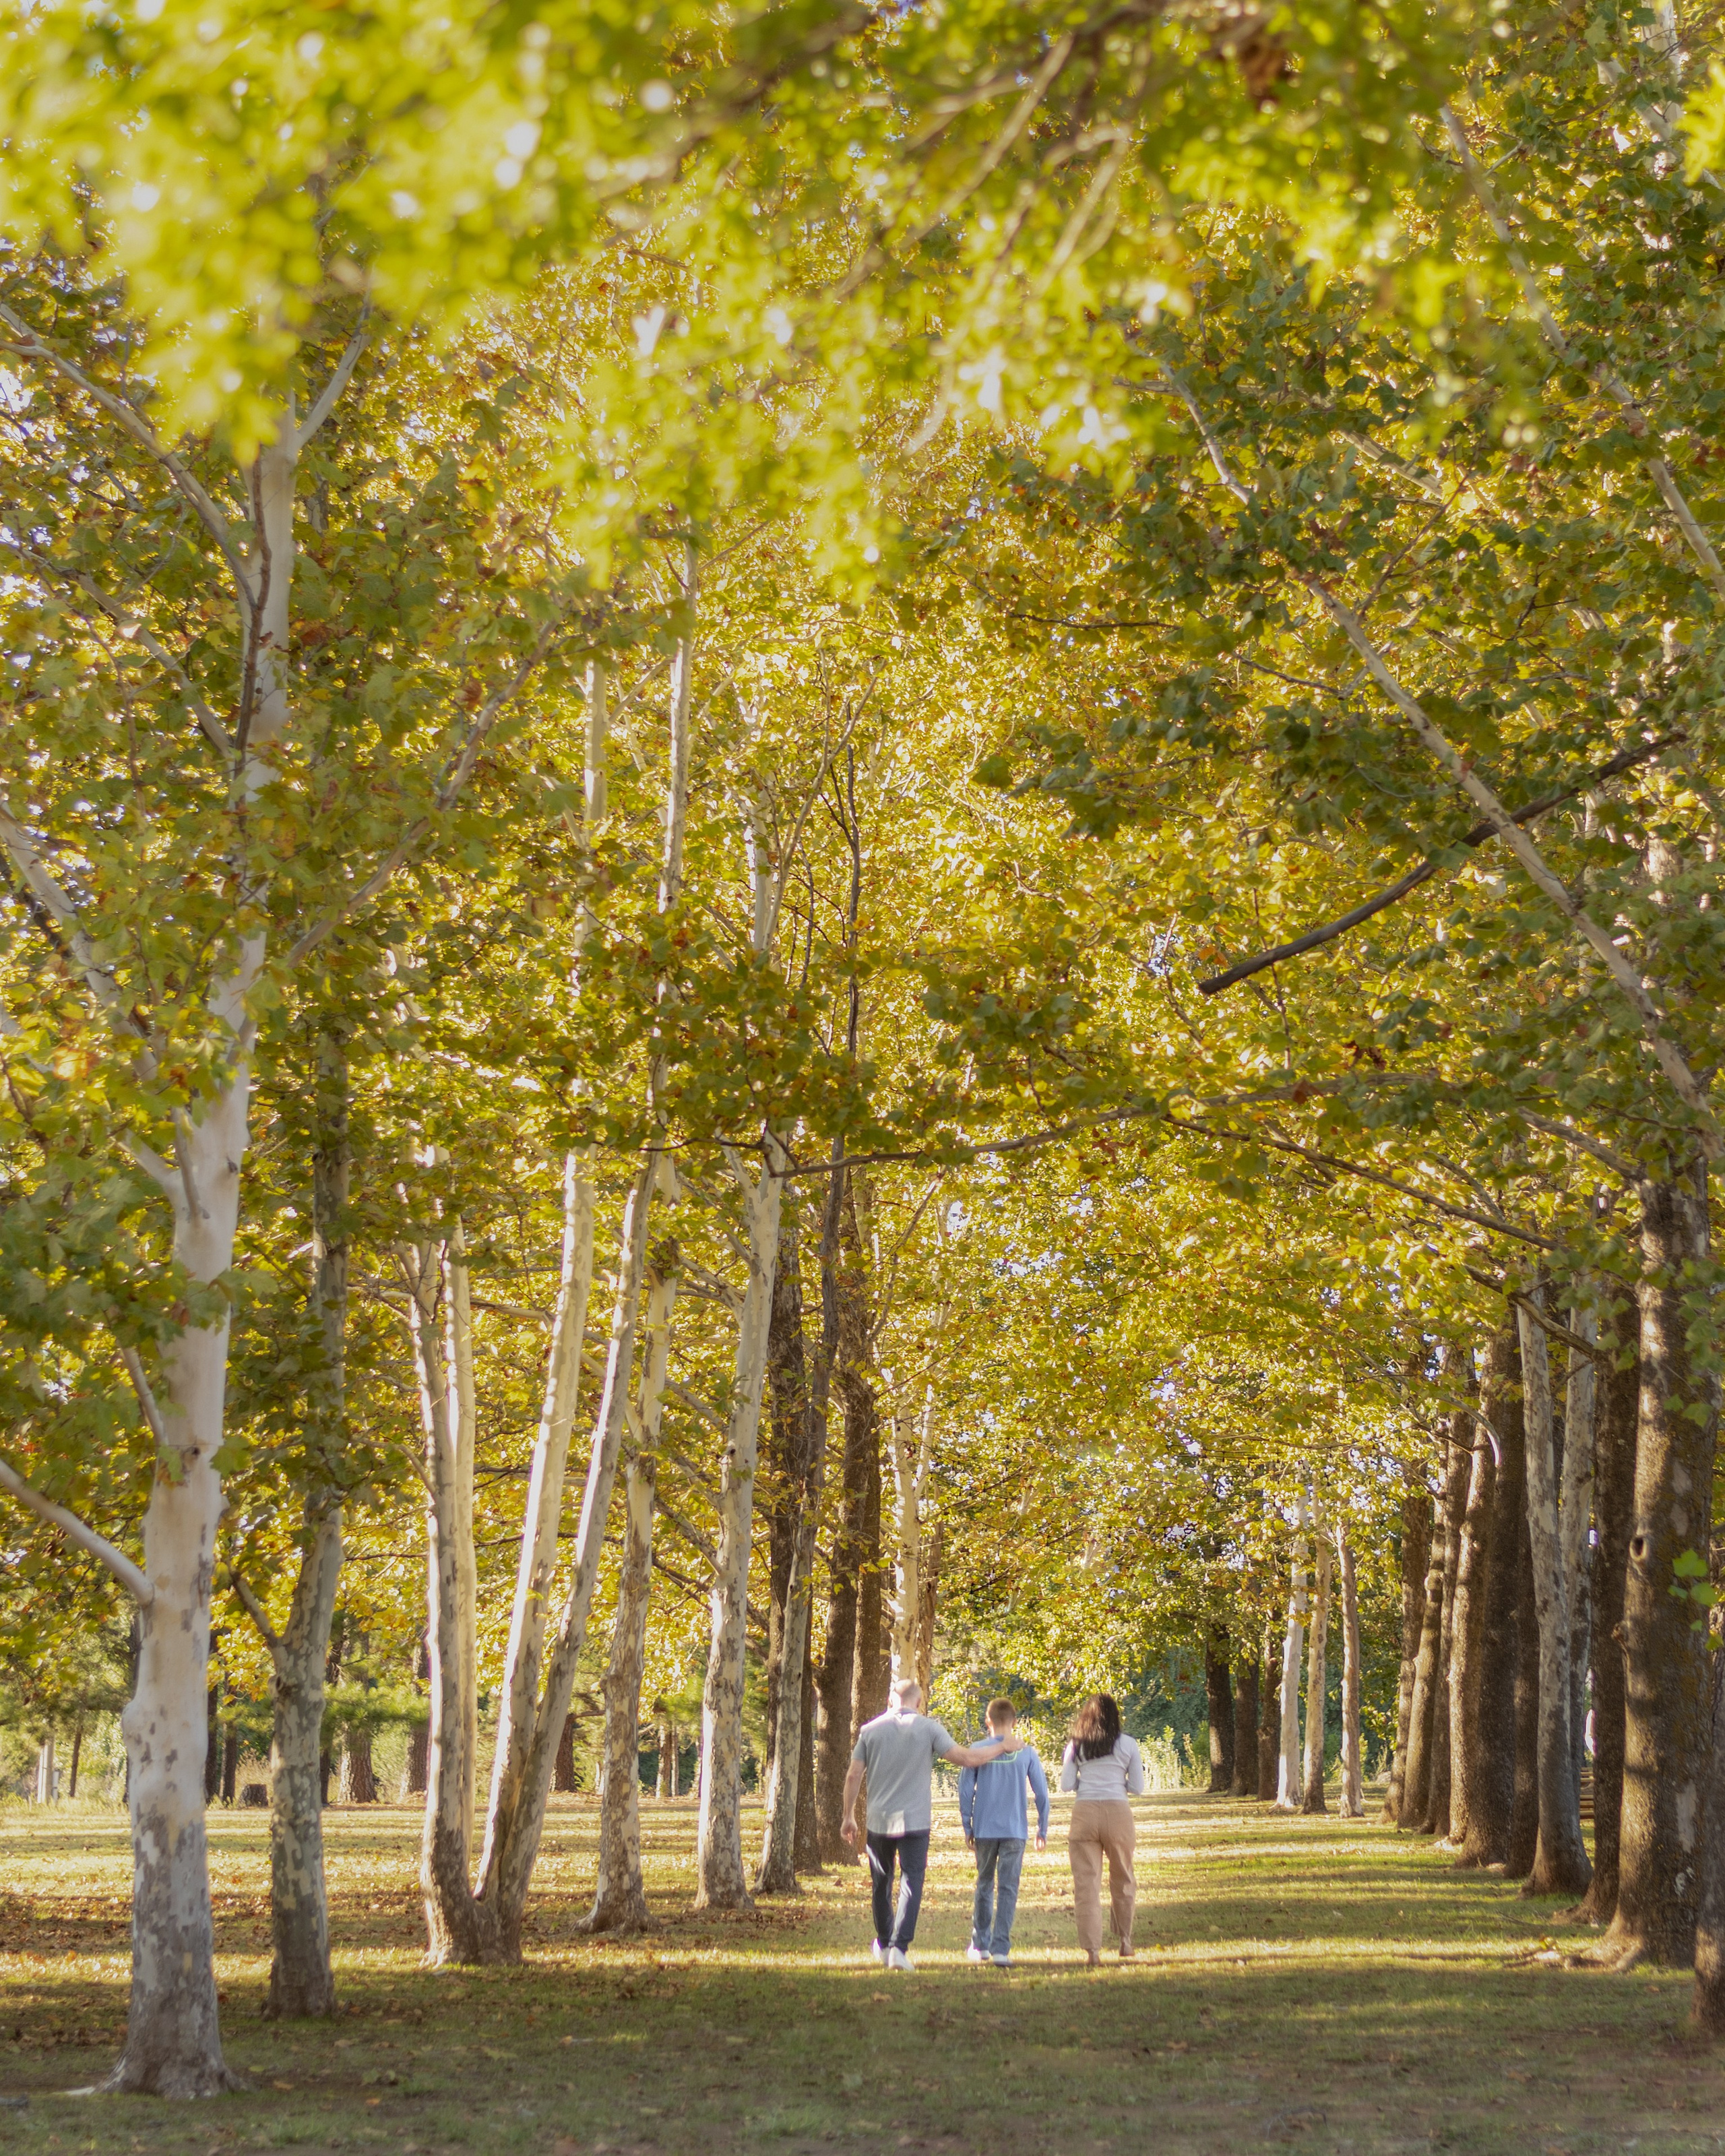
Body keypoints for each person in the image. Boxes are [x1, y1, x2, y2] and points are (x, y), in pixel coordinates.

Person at [840, 1675, 1022, 1971]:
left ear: (890, 1701)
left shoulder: (869, 1731)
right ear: (919, 1703)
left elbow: (853, 1775)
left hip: (878, 1821)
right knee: (911, 1883)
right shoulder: (929, 1728)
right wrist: (1003, 1747)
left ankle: (885, 1943)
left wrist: (848, 1816)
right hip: (915, 1821)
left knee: (881, 1884)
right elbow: (965, 1758)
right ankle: (899, 1949)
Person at [958, 1697, 1049, 1969]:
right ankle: (1001, 1949)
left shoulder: (976, 1750)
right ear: (1015, 1722)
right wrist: (1042, 1827)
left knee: (984, 1884)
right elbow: (1042, 1793)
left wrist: (967, 1825)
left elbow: (965, 1791)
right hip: (1015, 1830)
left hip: (985, 1829)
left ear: (988, 1721)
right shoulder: (1027, 1752)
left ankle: (980, 1945)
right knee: (1008, 1888)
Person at [1059, 1692, 1146, 1966]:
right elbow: (1138, 1788)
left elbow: (1066, 1785)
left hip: (1085, 1813)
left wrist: (1084, 1784)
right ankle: (1125, 1941)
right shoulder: (1128, 1744)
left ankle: (1093, 1951)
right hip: (1118, 1812)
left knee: (1087, 1884)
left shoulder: (1076, 1745)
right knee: (1123, 1877)